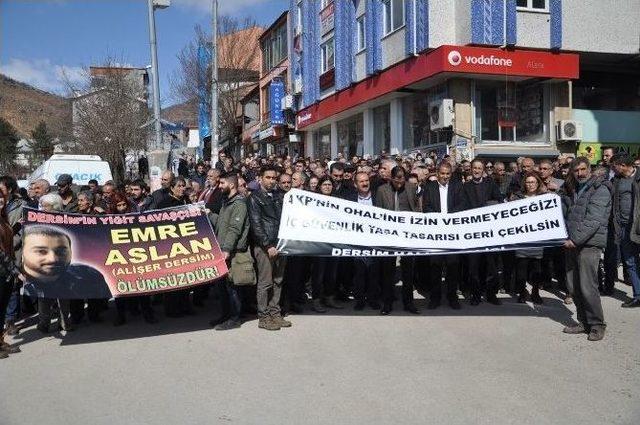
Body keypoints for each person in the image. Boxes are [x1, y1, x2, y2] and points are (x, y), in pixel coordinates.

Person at [22, 225, 112, 333]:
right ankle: (44, 324)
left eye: (61, 252)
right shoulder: (30, 283)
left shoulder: (86, 273)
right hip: (40, 286)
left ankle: (64, 323)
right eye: (42, 251)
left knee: (64, 302)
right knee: (44, 302)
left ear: (71, 252)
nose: (53, 259)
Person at [562, 157, 611, 341]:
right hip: (571, 244)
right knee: (573, 286)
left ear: (589, 169)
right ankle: (583, 322)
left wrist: (574, 239)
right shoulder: (574, 188)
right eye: (576, 171)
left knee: (587, 286)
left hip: (589, 244)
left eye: (583, 169)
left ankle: (597, 324)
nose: (580, 173)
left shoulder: (601, 188)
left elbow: (593, 220)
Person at [248, 165, 289, 331]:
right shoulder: (254, 198)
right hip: (266, 247)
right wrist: (267, 245)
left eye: (274, 178)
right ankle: (263, 317)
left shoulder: (280, 196)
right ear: (260, 178)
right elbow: (256, 224)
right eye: (268, 178)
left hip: (281, 244)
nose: (271, 181)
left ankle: (275, 313)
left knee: (278, 281)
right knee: (265, 283)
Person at [375, 166, 420, 315]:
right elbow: (377, 213)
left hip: (407, 236)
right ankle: (387, 303)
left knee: (408, 271)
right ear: (391, 178)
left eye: (402, 179)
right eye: (397, 179)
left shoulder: (411, 188)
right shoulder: (382, 190)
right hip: (389, 235)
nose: (399, 182)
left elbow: (417, 210)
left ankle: (409, 303)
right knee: (388, 271)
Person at [211, 173, 251, 330]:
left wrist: (227, 249)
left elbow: (235, 229)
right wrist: (209, 215)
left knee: (233, 287)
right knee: (222, 287)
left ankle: (235, 318)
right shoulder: (226, 202)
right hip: (223, 250)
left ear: (232, 185)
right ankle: (226, 315)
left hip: (233, 252)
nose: (219, 186)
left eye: (222, 183)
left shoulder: (239, 204)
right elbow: (222, 224)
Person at [461, 159, 504, 306]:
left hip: (489, 232)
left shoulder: (490, 183)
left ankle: (491, 294)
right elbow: (462, 205)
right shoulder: (465, 186)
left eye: (479, 168)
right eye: (474, 168)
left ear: (483, 170)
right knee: (473, 266)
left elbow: (499, 200)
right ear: (471, 169)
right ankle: (476, 294)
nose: (477, 170)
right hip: (472, 232)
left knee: (491, 266)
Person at [422, 162, 464, 310]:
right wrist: (439, 220)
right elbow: (426, 207)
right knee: (435, 267)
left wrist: (448, 220)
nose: (445, 176)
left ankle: (452, 297)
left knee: (453, 267)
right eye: (442, 173)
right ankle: (435, 297)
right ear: (437, 173)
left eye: (448, 174)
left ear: (450, 174)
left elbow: (461, 206)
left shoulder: (457, 187)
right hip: (436, 234)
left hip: (452, 233)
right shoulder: (429, 187)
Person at [609, 154, 640, 308]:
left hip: (638, 226)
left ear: (622, 165)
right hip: (624, 228)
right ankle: (638, 295)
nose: (612, 168)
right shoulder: (616, 180)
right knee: (630, 262)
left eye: (614, 165)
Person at [308, 176, 343, 313]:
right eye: (324, 185)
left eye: (329, 185)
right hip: (319, 243)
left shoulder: (338, 201)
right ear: (320, 187)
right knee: (318, 273)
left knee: (332, 272)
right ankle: (316, 300)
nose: (327, 187)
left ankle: (329, 297)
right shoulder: (313, 201)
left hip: (334, 242)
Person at [346, 172, 381, 310]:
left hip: (375, 240)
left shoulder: (378, 197)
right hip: (357, 240)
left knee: (373, 271)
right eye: (361, 181)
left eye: (367, 180)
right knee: (359, 271)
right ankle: (359, 299)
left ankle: (373, 299)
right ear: (355, 184)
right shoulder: (350, 199)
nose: (365, 183)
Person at [510, 172, 546, 304]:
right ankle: (522, 291)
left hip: (537, 239)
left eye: (533, 182)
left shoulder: (544, 198)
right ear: (524, 183)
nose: (530, 184)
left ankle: (535, 292)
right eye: (528, 182)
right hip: (522, 239)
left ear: (538, 183)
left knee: (536, 269)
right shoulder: (517, 198)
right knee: (521, 271)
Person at [0, 191, 21, 358]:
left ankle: (0, 342)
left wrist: (16, 227)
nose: (0, 201)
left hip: (6, 273)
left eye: (1, 198)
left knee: (2, 309)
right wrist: (15, 271)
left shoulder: (3, 219)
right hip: (3, 269)